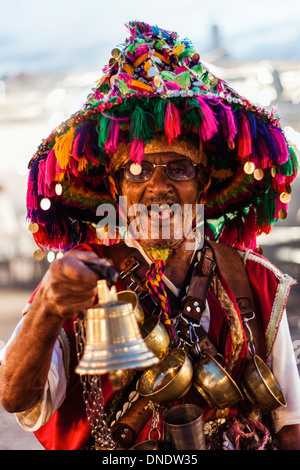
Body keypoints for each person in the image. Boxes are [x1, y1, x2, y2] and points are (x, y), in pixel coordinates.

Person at [0, 21, 300, 451]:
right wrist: (48, 307)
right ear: (117, 188)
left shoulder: (255, 281)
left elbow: (291, 426)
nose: (158, 187)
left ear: (205, 186)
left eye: (179, 168)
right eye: (138, 169)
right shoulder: (78, 277)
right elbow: (15, 397)